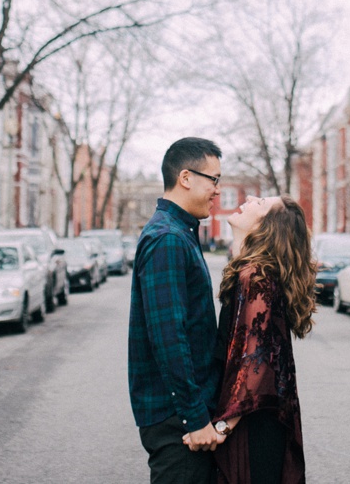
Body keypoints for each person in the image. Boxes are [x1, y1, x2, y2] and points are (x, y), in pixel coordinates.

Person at [129, 137, 228, 483]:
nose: (218, 190)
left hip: (184, 414)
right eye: (213, 180)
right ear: (186, 178)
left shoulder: (180, 233)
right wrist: (195, 418)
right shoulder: (168, 239)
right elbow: (169, 337)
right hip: (179, 423)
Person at [206, 195, 316, 484]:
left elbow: (256, 361)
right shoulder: (254, 271)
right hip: (259, 419)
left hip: (253, 423)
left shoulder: (257, 276)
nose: (250, 198)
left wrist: (222, 427)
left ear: (267, 226)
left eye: (261, 201)